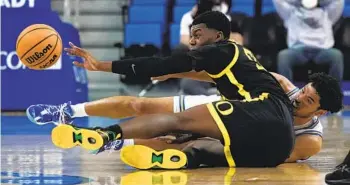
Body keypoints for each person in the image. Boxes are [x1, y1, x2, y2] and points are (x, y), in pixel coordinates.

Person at [45, 11, 343, 169]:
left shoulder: (225, 50)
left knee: (180, 121)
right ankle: (185, 158)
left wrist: (103, 66)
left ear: (218, 35)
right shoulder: (254, 69)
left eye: (198, 34)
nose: (193, 40)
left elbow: (157, 63)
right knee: (201, 147)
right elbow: (210, 75)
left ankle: (107, 135)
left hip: (260, 116)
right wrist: (171, 72)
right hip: (267, 148)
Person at [28, 72, 336, 166]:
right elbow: (222, 73)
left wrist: (206, 141)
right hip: (218, 106)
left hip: (237, 136)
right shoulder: (281, 86)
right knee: (139, 105)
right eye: (302, 91)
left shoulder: (310, 141)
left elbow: (265, 155)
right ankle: (68, 112)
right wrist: (176, 70)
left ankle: (112, 140)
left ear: (320, 112)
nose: (297, 98)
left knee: (172, 142)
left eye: (307, 100)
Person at [273, 0, 344, 82]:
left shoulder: (327, 14)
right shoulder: (290, 13)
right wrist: (298, 1)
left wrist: (320, 1)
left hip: (322, 51)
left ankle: (334, 92)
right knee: (283, 56)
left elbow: (339, 1)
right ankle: (287, 92)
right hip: (298, 51)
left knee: (336, 55)